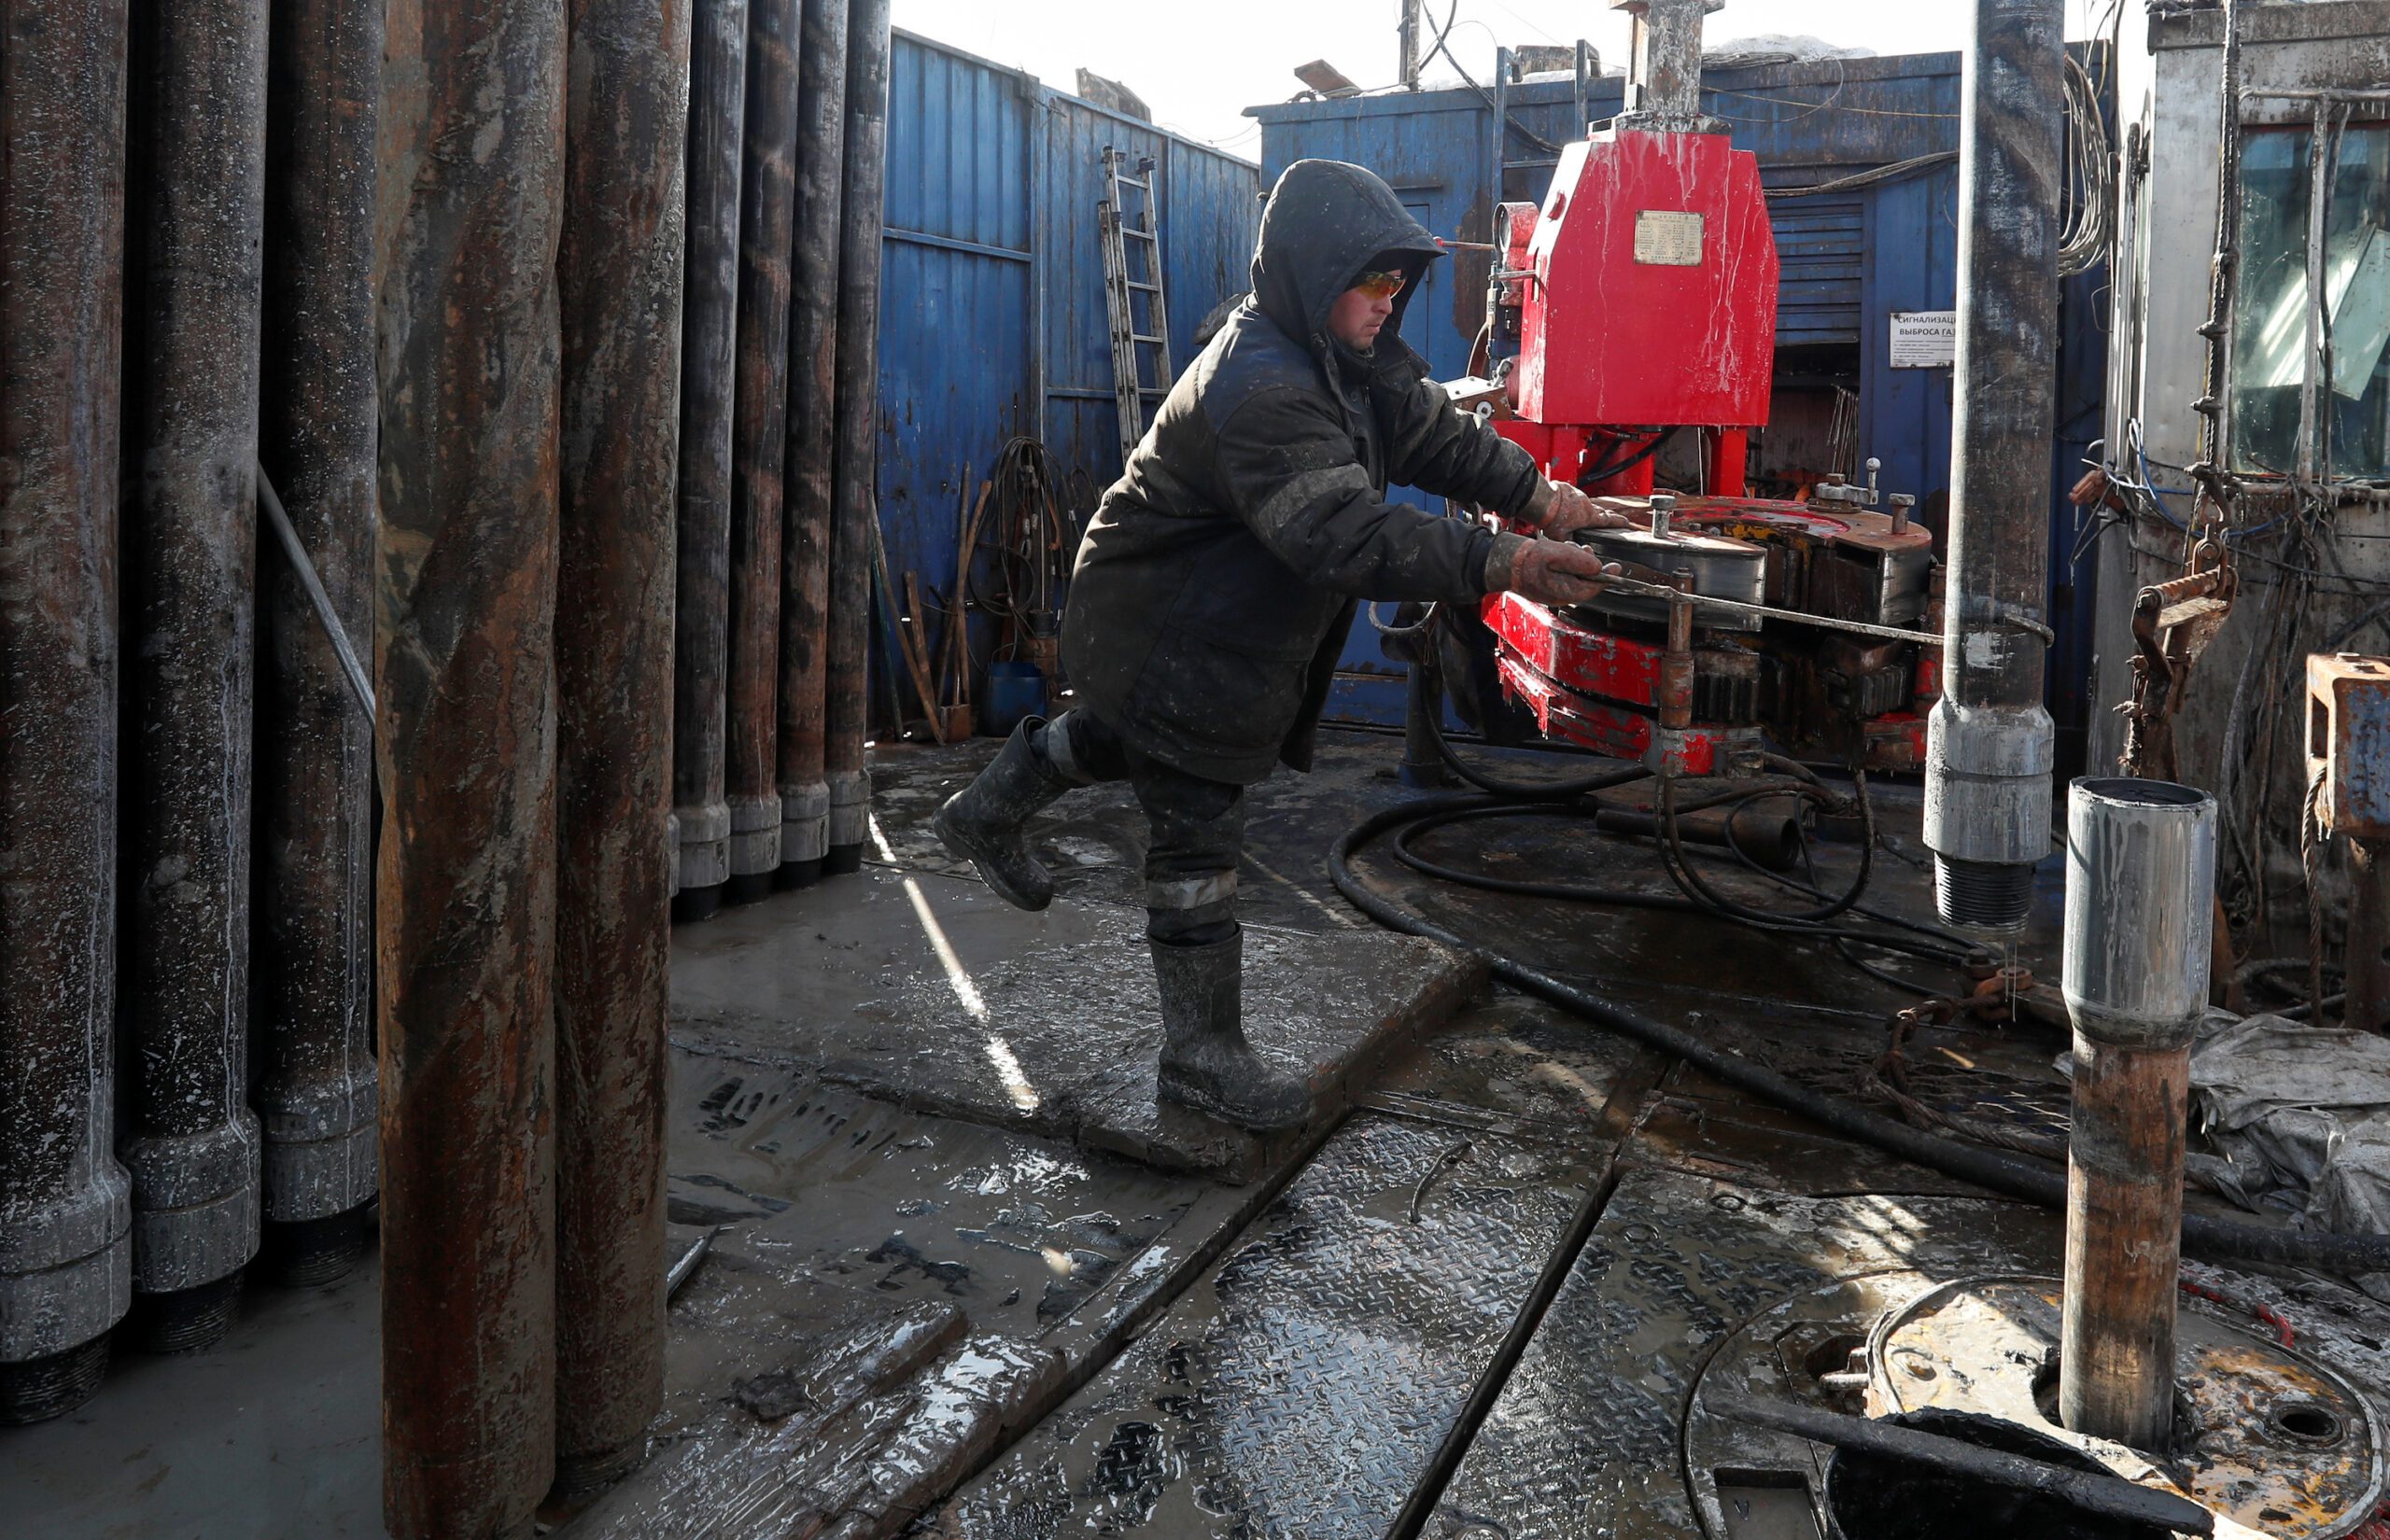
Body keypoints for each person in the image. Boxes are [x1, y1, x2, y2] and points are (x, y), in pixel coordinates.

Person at [936, 158, 1622, 1130]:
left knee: (1129, 739)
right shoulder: (1260, 384)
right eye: (1371, 280)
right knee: (1196, 818)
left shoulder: (1349, 350)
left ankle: (985, 810)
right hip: (1165, 616)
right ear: (1311, 270)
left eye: (1398, 281)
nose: (1389, 301)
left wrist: (1541, 496)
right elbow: (1342, 532)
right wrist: (1497, 562)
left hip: (1216, 611)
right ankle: (1200, 1058)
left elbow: (1436, 440)